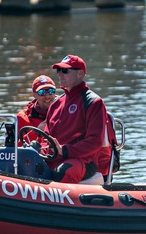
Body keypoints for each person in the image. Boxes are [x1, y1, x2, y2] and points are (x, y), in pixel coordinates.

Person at [43, 54, 115, 184]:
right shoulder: (55, 105)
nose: (60, 74)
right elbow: (46, 137)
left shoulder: (93, 102)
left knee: (63, 171)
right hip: (55, 158)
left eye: (65, 71)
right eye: (59, 70)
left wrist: (64, 150)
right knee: (26, 163)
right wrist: (40, 149)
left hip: (83, 161)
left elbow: (94, 142)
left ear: (80, 74)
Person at [17, 75, 58, 145]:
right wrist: (37, 132)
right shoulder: (22, 118)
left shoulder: (65, 112)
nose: (47, 96)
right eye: (42, 92)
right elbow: (16, 148)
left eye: (51, 91)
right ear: (34, 94)